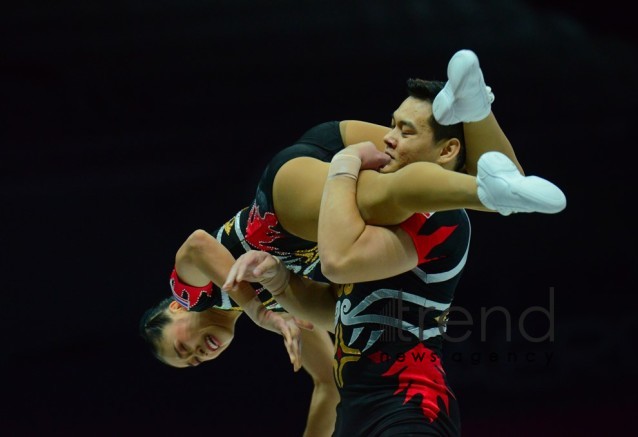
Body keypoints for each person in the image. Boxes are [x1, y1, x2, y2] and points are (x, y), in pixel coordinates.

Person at [140, 49, 566, 436]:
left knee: (392, 193)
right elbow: (327, 384)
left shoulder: (193, 294)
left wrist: (258, 311)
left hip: (285, 204)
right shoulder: (288, 328)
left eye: (182, 347)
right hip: (328, 157)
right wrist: (281, 304)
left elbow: (197, 246)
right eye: (193, 362)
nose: (197, 354)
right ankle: (475, 106)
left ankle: (485, 190)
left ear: (176, 310)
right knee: (438, 150)